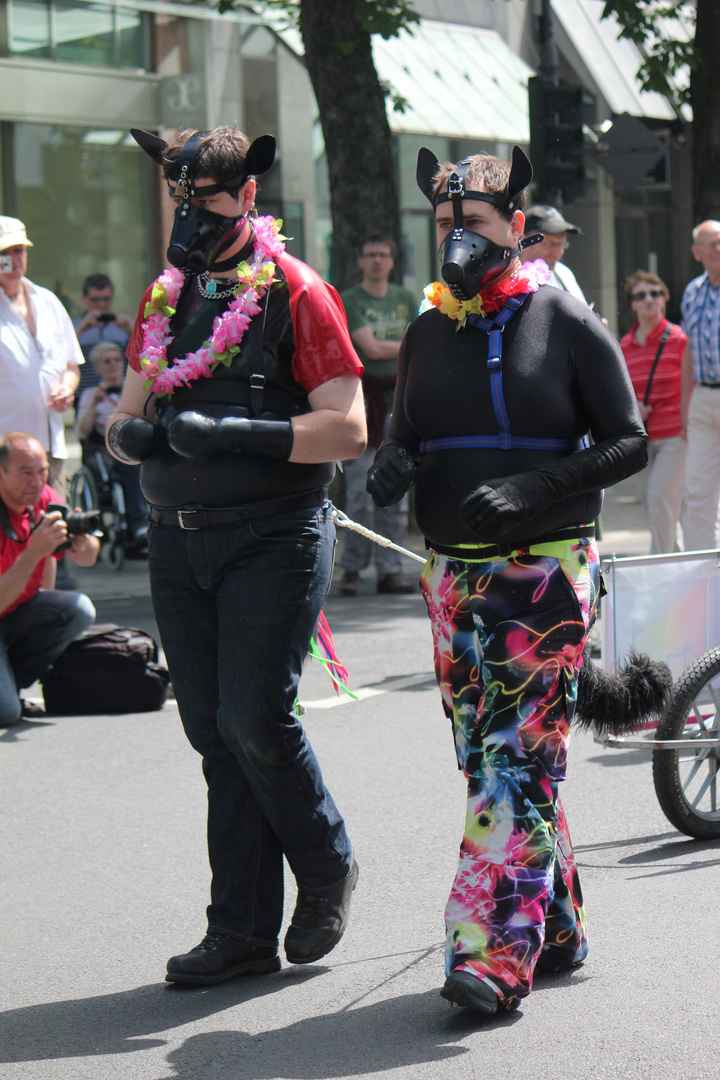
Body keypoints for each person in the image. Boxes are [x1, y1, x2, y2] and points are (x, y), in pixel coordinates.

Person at [367, 146, 647, 1015]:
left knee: (514, 761)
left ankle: (489, 953)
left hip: (548, 573)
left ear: (515, 227)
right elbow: (407, 430)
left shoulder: (565, 323)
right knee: (485, 760)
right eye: (446, 224)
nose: (458, 240)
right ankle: (555, 924)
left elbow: (628, 440)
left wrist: (535, 488)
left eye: (475, 225)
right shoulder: (422, 332)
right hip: (452, 578)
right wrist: (394, 461)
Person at [106, 125, 365, 986]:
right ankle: (240, 931)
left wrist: (238, 430)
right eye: (181, 196)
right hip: (180, 542)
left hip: (275, 536)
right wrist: (128, 434)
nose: (193, 212)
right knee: (215, 734)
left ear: (247, 194)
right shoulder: (165, 293)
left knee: (257, 719)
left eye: (208, 196)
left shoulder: (297, 290)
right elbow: (122, 416)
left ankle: (325, 864)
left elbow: (349, 426)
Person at [0, 431, 99, 727]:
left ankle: (8, 683)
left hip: (15, 615)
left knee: (78, 609)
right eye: (26, 472)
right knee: (6, 714)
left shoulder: (44, 498)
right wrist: (34, 552)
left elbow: (88, 558)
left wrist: (83, 544)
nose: (37, 481)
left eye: (42, 471)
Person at [339, 234, 417, 595]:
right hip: (363, 404)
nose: (377, 261)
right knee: (359, 495)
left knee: (396, 496)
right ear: (360, 260)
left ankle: (390, 570)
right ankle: (352, 570)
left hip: (399, 402)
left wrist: (399, 348)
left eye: (383, 254)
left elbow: (417, 344)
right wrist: (401, 345)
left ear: (391, 260)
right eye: (370, 254)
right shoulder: (351, 299)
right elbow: (367, 346)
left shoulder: (405, 298)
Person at [0, 217, 83, 497]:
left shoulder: (48, 301)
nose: (13, 260)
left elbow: (72, 365)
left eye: (18, 251)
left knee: (56, 529)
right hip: (6, 455)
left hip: (50, 450)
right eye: (3, 254)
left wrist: (67, 389)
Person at [619, 271, 687, 554]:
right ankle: (680, 561)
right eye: (640, 295)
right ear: (632, 304)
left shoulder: (679, 339)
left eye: (655, 293)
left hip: (676, 436)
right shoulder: (624, 346)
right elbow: (619, 393)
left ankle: (660, 566)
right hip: (643, 440)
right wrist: (634, 408)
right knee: (657, 507)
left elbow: (691, 385)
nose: (648, 300)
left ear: (664, 299)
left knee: (660, 501)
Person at [75, 342, 149, 546]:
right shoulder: (90, 395)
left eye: (117, 360)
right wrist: (93, 405)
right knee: (130, 461)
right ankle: (138, 524)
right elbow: (82, 431)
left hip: (140, 442)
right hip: (110, 450)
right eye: (107, 361)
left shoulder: (135, 387)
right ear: (98, 367)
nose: (114, 365)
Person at [680, 220, 720, 551]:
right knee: (697, 489)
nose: (717, 249)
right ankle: (701, 569)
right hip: (703, 398)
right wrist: (685, 406)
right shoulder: (692, 292)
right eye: (711, 244)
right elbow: (689, 353)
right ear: (697, 253)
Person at [73, 273, 133, 406]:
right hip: (84, 397)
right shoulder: (73, 326)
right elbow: (64, 354)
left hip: (120, 397)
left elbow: (142, 357)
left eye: (106, 299)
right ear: (84, 298)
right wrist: (81, 329)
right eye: (95, 300)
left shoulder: (124, 325)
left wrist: (131, 331)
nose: (101, 305)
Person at [520, 204, 588, 304]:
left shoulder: (563, 273)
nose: (558, 253)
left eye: (562, 244)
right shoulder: (506, 279)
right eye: (550, 244)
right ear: (524, 241)